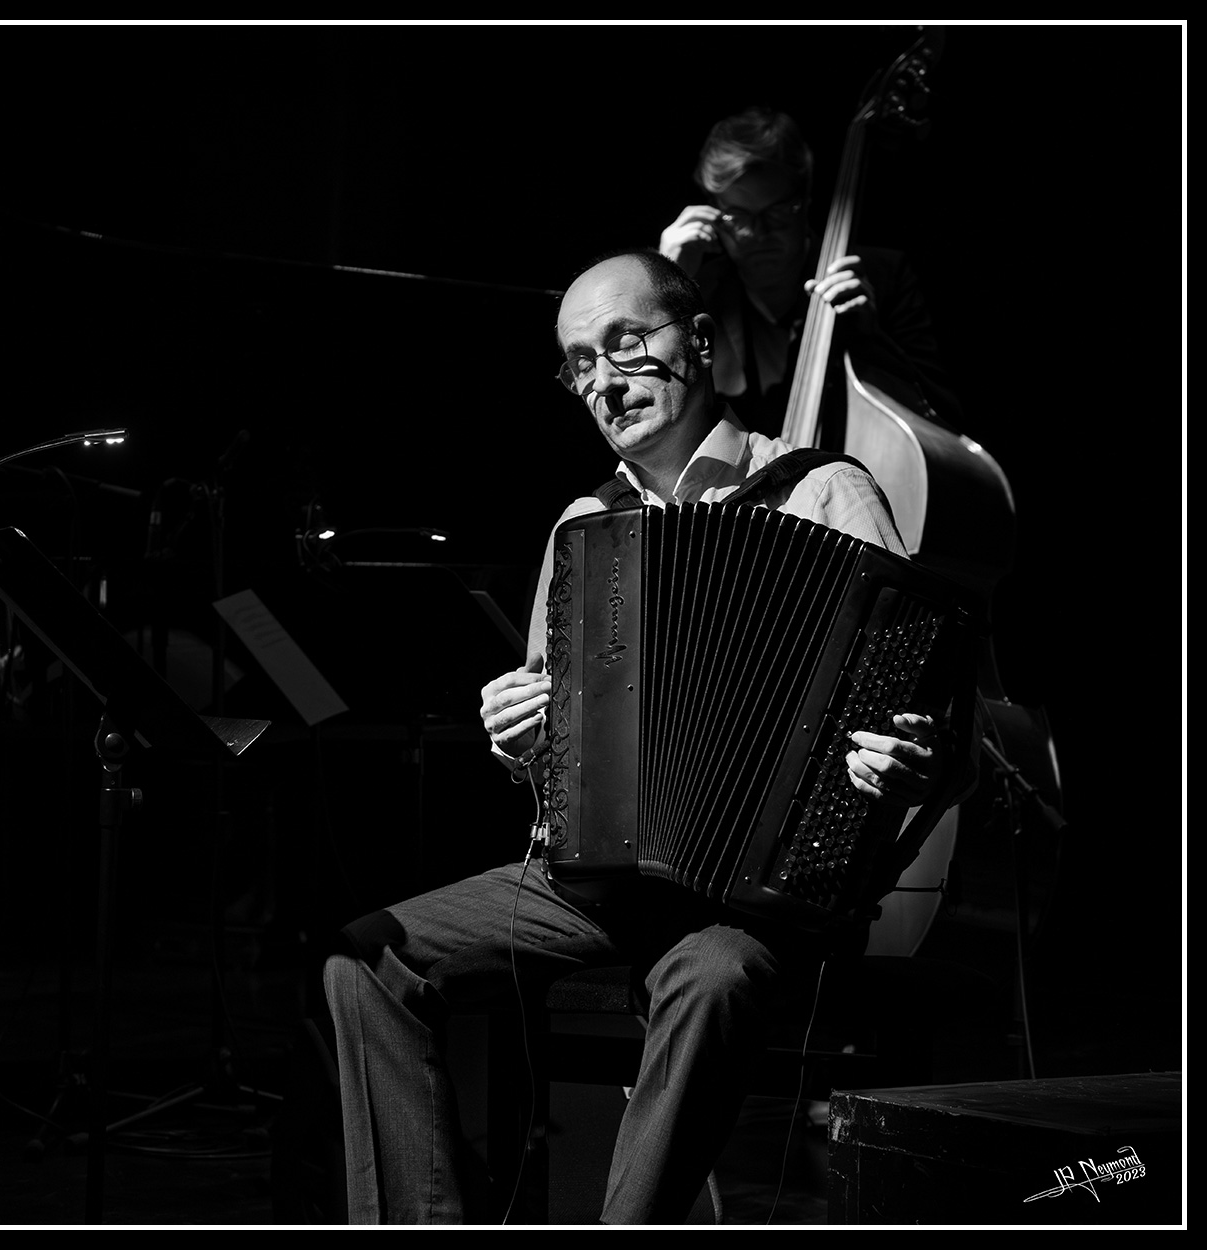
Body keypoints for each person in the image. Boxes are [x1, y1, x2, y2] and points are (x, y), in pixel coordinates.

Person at [322, 249, 956, 1225]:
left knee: (713, 977)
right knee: (367, 959)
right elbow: (555, 754)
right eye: (580, 363)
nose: (605, 380)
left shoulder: (822, 490)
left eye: (625, 345)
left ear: (697, 341)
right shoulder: (583, 527)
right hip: (596, 882)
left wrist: (899, 761)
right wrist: (519, 737)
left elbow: (920, 721)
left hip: (761, 892)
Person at [658, 105, 961, 441]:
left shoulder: (882, 276)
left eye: (777, 211)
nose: (758, 233)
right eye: (737, 216)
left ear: (805, 198)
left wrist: (871, 339)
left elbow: (945, 415)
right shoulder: (696, 293)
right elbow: (655, 412)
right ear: (712, 211)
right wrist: (661, 282)